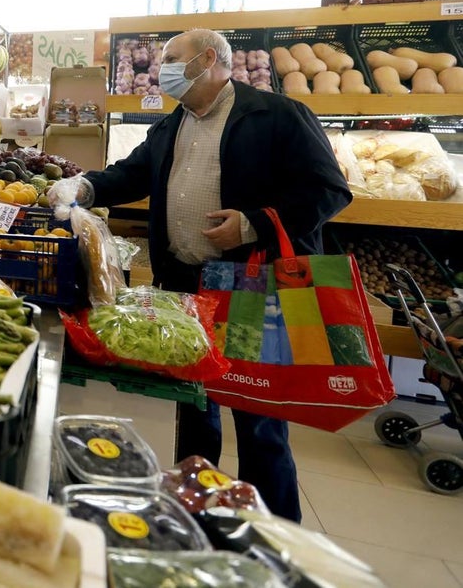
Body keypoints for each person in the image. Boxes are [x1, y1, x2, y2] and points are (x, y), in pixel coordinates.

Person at [53, 29, 352, 521]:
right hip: (185, 288)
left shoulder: (276, 115)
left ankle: (274, 536)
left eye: (171, 58)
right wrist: (82, 188)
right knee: (190, 410)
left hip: (254, 289)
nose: (161, 68)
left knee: (259, 418)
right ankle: (191, 516)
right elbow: (130, 175)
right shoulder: (173, 125)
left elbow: (329, 191)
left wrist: (253, 223)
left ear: (208, 60)